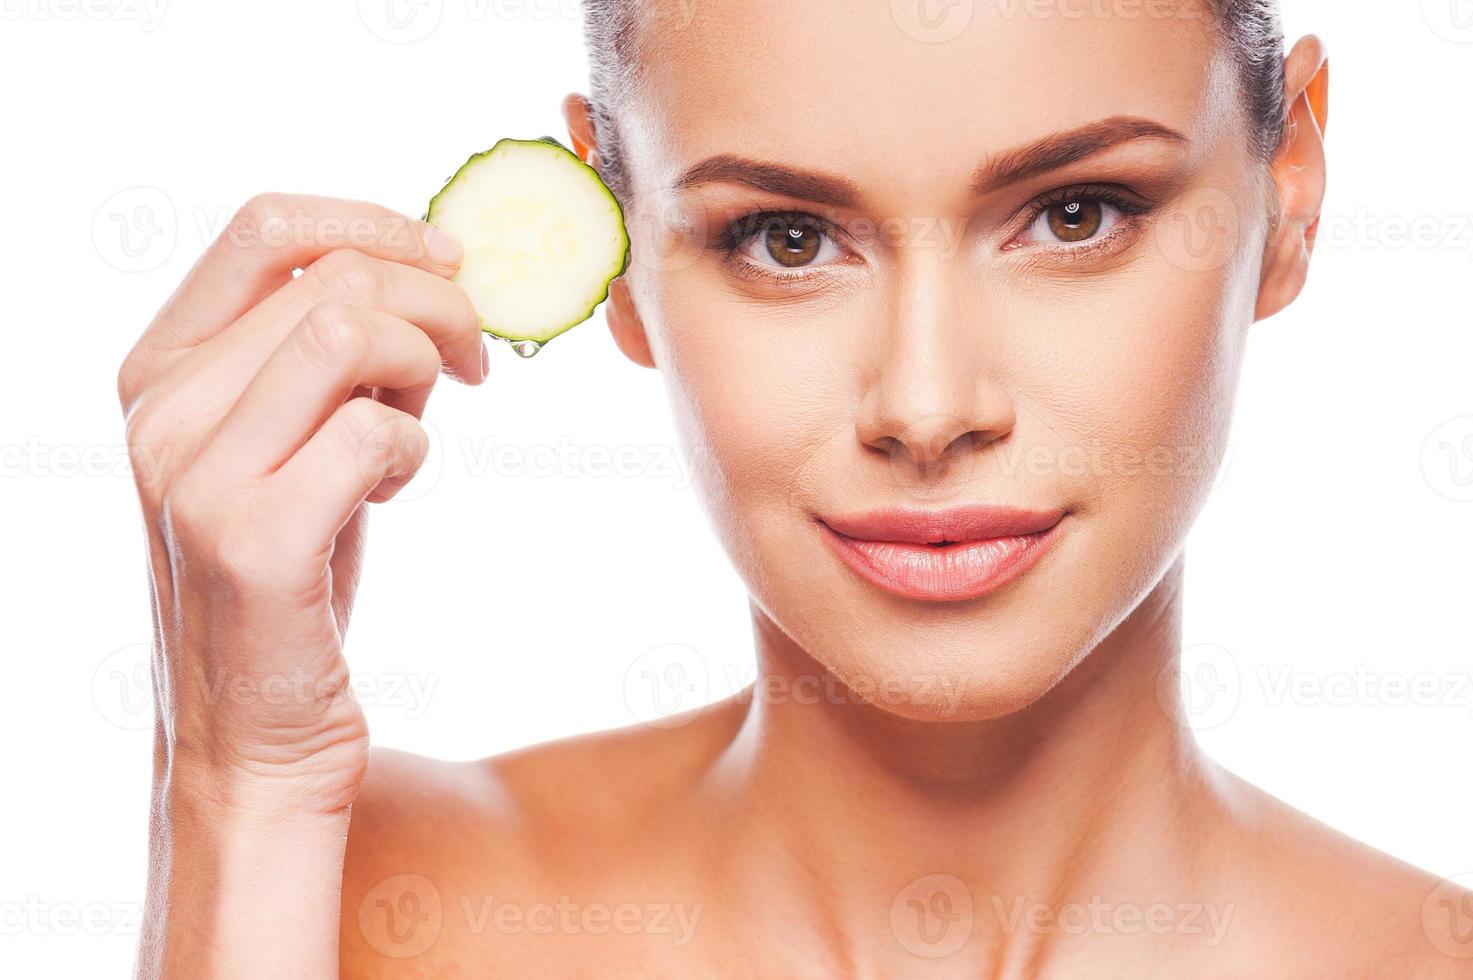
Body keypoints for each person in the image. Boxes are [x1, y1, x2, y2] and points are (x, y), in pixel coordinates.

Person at [117, 0, 1471, 975]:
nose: (927, 406)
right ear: (620, 239)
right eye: (785, 236)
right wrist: (241, 782)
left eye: (1075, 212)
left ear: (1286, 189)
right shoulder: (371, 901)